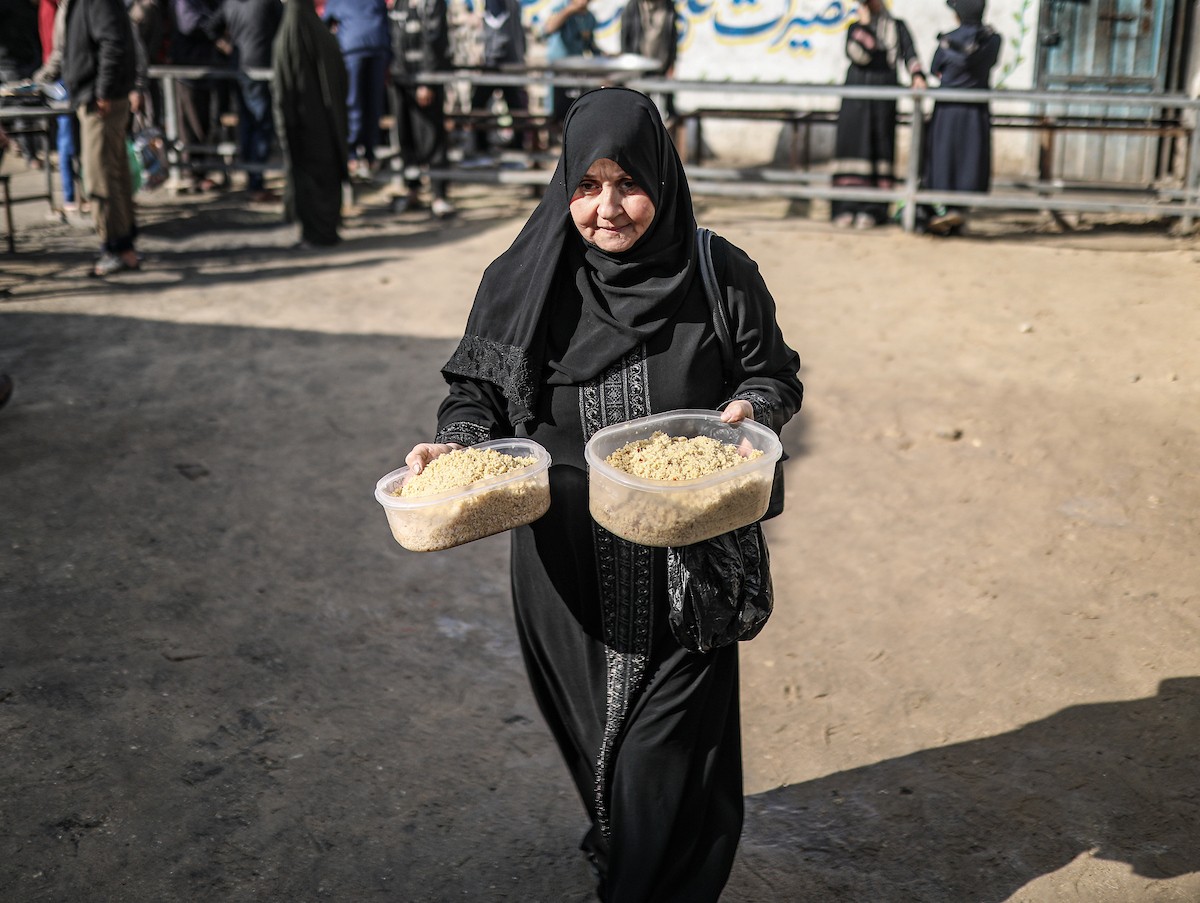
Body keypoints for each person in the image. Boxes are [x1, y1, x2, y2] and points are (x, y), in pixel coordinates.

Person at [403, 87, 803, 902]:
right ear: (563, 186)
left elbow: (773, 372)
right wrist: (457, 446)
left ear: (663, 173)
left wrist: (752, 409)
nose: (608, 208)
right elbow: (476, 392)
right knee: (600, 742)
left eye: (627, 182)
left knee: (662, 749)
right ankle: (624, 841)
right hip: (567, 566)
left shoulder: (718, 272)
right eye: (586, 186)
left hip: (690, 557)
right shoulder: (526, 278)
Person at [830, 0, 926, 229]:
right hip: (856, 99)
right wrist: (864, 25)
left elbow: (910, 55)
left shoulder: (897, 27)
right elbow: (859, 55)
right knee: (853, 147)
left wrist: (918, 76)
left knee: (878, 149)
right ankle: (846, 208)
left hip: (883, 101)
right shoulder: (855, 29)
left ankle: (873, 210)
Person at [63, 0, 142, 275]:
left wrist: (103, 91)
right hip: (101, 96)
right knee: (112, 173)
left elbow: (113, 42)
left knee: (101, 176)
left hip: (102, 101)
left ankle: (116, 248)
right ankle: (124, 247)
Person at [920, 0, 1001, 235]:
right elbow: (990, 62)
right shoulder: (992, 40)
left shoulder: (946, 42)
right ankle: (960, 212)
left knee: (945, 157)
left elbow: (935, 69)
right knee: (969, 158)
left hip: (947, 110)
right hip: (975, 110)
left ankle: (946, 211)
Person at [271, 0, 348, 247]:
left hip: (307, 122)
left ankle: (318, 233)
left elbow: (285, 80)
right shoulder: (316, 29)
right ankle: (321, 230)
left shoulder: (294, 27)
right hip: (323, 121)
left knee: (314, 178)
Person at [388, 0, 455, 217]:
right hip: (401, 80)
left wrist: (426, 80)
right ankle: (412, 190)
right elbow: (395, 37)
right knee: (406, 138)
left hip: (426, 80)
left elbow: (434, 38)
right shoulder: (399, 4)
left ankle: (439, 195)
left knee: (431, 137)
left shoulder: (433, 3)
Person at [210, 0, 282, 202]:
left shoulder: (230, 3)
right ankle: (255, 181)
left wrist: (227, 47)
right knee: (260, 124)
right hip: (259, 68)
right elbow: (284, 26)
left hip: (240, 68)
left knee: (249, 123)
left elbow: (210, 28)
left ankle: (253, 177)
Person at [322, 0, 390, 180]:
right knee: (362, 105)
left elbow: (324, 23)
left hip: (360, 50)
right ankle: (362, 154)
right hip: (370, 50)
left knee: (357, 104)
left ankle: (357, 154)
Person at [465, 0, 527, 158]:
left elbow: (499, 31)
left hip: (499, 65)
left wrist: (490, 61)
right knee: (515, 106)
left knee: (478, 105)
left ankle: (482, 150)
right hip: (511, 62)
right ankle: (518, 151)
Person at [537, 0, 597, 123]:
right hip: (557, 71)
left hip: (576, 71)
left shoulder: (590, 17)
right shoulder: (560, 8)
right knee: (555, 112)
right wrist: (569, 10)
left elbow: (589, 45)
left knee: (575, 111)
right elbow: (547, 30)